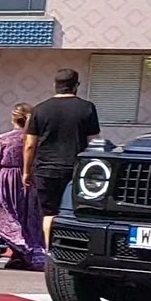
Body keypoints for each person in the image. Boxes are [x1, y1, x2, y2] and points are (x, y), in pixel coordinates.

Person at [23, 69, 99, 241]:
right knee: (73, 212)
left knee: (49, 214)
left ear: (54, 85)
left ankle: (50, 252)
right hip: (76, 170)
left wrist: (26, 172)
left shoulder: (39, 109)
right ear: (76, 86)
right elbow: (93, 143)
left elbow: (29, 145)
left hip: (45, 170)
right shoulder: (87, 108)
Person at [0, 103, 45, 269]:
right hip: (29, 178)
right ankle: (28, 253)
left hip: (8, 178)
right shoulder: (34, 140)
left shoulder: (4, 139)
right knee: (29, 217)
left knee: (8, 215)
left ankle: (21, 249)